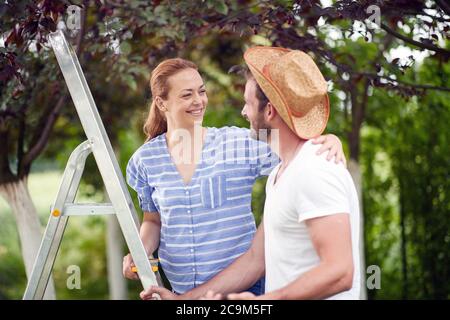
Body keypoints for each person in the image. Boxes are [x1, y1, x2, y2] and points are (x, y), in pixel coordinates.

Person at [140, 47, 360, 300]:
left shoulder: (314, 170)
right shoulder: (281, 174)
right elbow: (255, 259)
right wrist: (183, 301)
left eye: (247, 103)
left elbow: (341, 273)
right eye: (187, 94)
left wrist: (262, 301)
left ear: (269, 112)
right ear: (161, 102)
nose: (243, 112)